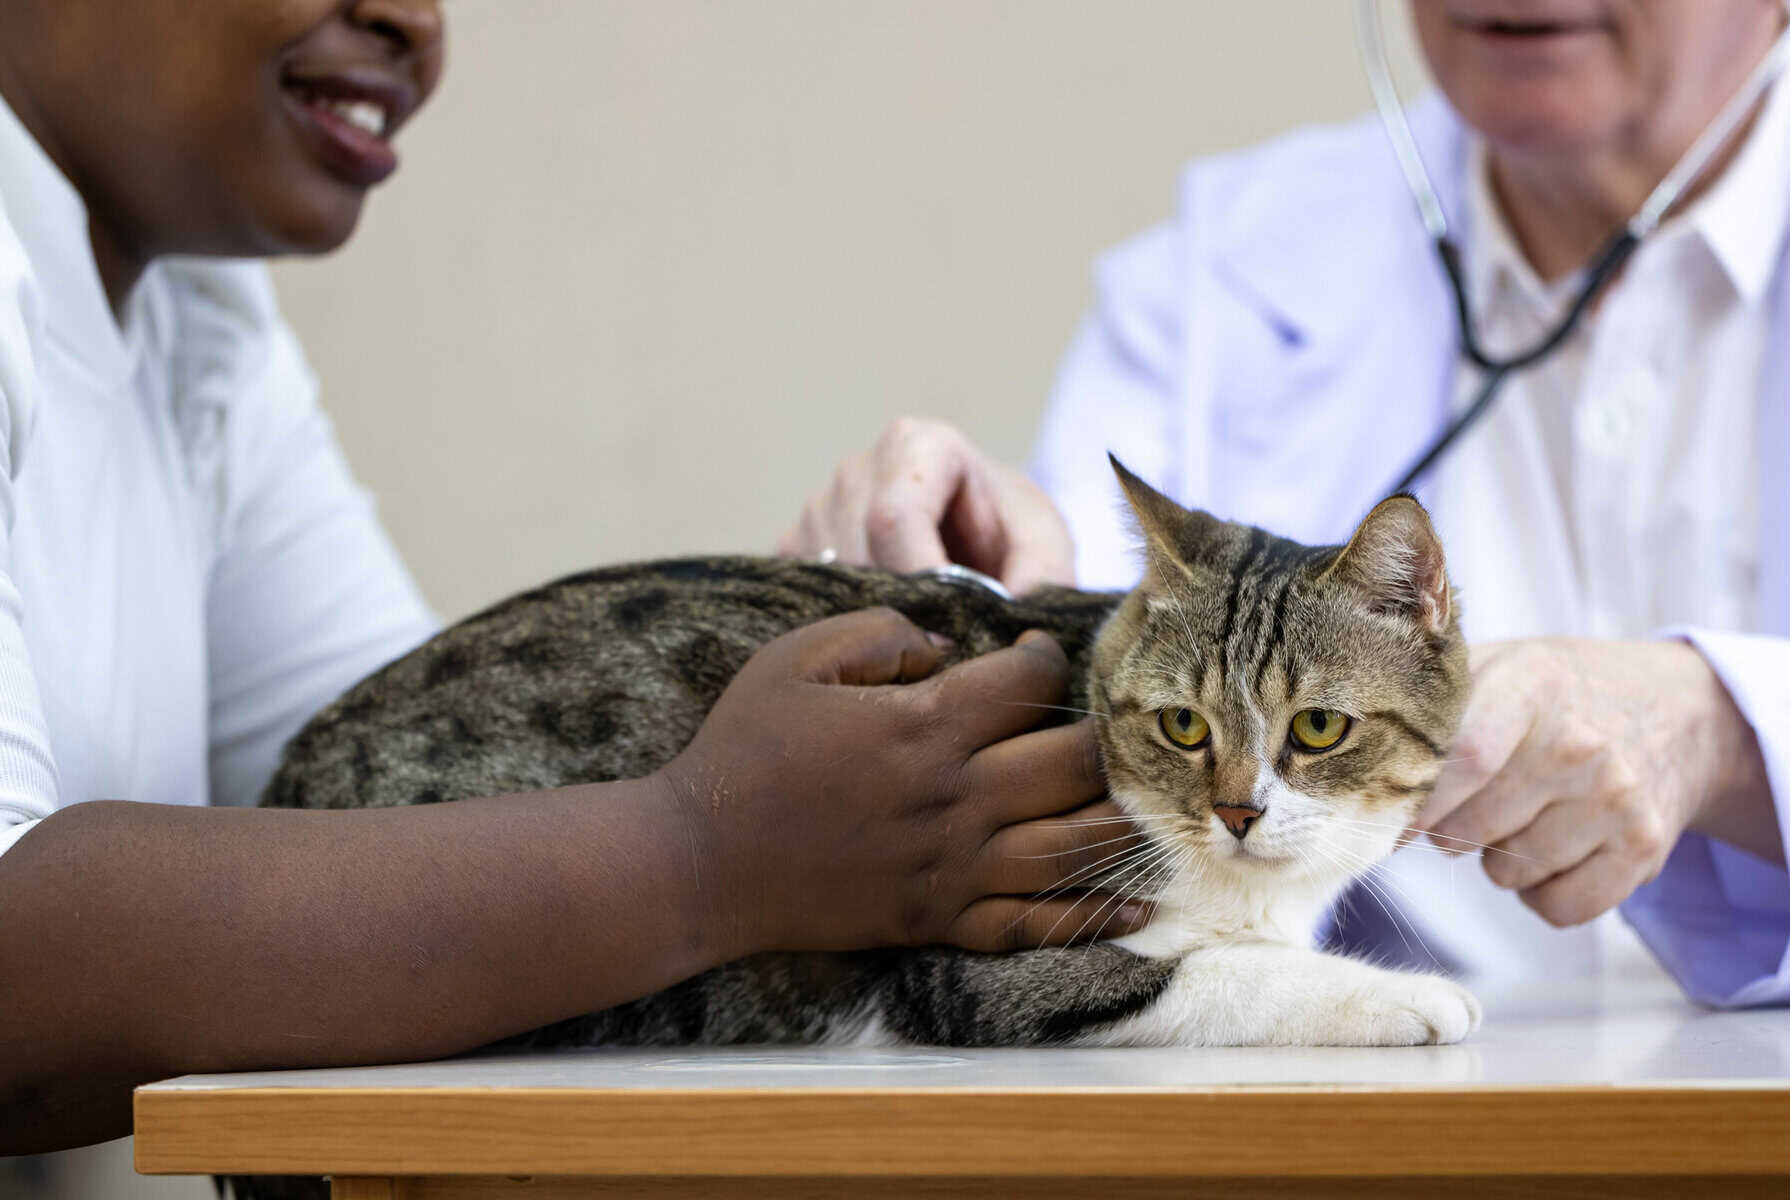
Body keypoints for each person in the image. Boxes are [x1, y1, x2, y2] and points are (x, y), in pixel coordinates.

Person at [0, 0, 1153, 1155]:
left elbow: (387, 800)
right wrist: (708, 856)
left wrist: (823, 654)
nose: (416, 23)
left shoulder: (207, 326)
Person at [784, 0, 1790, 1005]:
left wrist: (1729, 735)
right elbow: (1109, 634)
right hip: (1322, 1100)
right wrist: (993, 572)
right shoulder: (1230, 258)